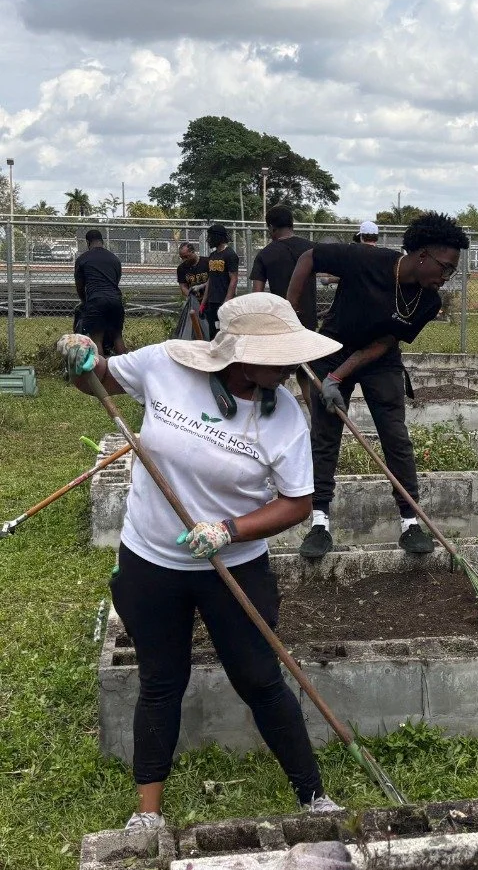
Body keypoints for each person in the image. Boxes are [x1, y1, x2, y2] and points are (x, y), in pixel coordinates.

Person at [56, 295, 344, 829]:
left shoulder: (284, 417)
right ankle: (147, 816)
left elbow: (299, 502)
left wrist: (228, 530)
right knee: (162, 680)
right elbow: (97, 379)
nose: (286, 367)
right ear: (236, 352)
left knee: (260, 679)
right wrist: (80, 356)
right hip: (151, 560)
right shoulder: (165, 363)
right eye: (276, 355)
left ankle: (313, 797)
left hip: (233, 565)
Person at [286, 211, 469, 560]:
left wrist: (339, 378)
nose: (447, 277)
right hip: (332, 347)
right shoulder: (365, 259)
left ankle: (409, 521)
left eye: (452, 271)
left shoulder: (429, 301)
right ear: (421, 256)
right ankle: (320, 522)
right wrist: (290, 312)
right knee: (325, 435)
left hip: (379, 361)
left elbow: (386, 341)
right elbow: (310, 257)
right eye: (445, 267)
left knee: (395, 437)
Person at [251, 205, 317, 329]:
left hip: (281, 320)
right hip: (308, 320)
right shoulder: (312, 248)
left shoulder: (264, 254)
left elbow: (257, 295)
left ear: (271, 227)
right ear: (292, 224)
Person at [74, 229, 126, 357]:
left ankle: (101, 375)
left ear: (87, 242)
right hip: (115, 300)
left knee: (97, 340)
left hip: (96, 300)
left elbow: (80, 286)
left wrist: (84, 301)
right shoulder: (114, 259)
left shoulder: (82, 259)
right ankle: (124, 372)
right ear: (102, 241)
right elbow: (116, 280)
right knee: (117, 337)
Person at [202, 224, 239, 340]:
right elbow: (210, 280)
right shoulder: (212, 255)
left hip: (224, 302)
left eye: (210, 237)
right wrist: (203, 302)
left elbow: (234, 278)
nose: (208, 240)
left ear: (218, 237)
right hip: (212, 301)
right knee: (213, 332)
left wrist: (226, 302)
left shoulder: (230, 254)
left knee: (225, 333)